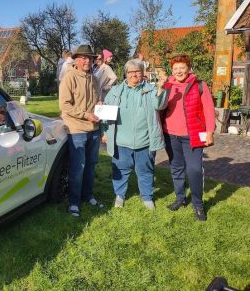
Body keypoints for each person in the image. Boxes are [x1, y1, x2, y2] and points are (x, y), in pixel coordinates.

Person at [102, 59, 168, 210]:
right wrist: (105, 132)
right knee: (120, 170)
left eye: (137, 71)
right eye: (131, 72)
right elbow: (105, 114)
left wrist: (161, 89)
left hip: (144, 141)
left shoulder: (151, 90)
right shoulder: (116, 91)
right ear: (126, 74)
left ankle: (147, 197)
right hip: (121, 141)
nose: (134, 75)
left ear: (143, 73)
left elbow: (160, 105)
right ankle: (119, 195)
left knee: (145, 171)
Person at [161, 55, 215, 221]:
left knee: (194, 169)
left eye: (182, 67)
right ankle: (180, 198)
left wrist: (210, 131)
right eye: (176, 68)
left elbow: (209, 109)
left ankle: (198, 204)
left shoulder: (199, 85)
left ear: (188, 68)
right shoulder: (167, 86)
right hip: (170, 134)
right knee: (176, 168)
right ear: (172, 70)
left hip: (192, 135)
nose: (179, 71)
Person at [59, 44, 102, 217]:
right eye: (83, 58)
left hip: (94, 128)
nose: (86, 61)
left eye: (89, 58)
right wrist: (85, 115)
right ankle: (74, 202)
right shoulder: (69, 77)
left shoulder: (94, 78)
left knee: (91, 166)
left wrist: (100, 103)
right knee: (78, 167)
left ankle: (88, 196)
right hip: (76, 129)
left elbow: (98, 97)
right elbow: (64, 105)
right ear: (76, 60)